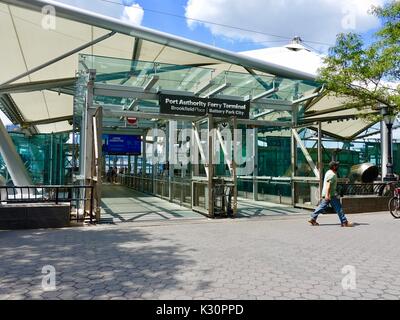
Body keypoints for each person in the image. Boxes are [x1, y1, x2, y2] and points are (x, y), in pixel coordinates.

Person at [309, 161, 354, 227]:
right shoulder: (332, 175)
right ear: (334, 167)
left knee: (321, 207)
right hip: (330, 195)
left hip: (328, 194)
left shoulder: (329, 172)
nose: (338, 167)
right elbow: (328, 185)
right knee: (338, 208)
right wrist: (327, 195)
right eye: (337, 165)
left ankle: (313, 218)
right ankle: (344, 222)